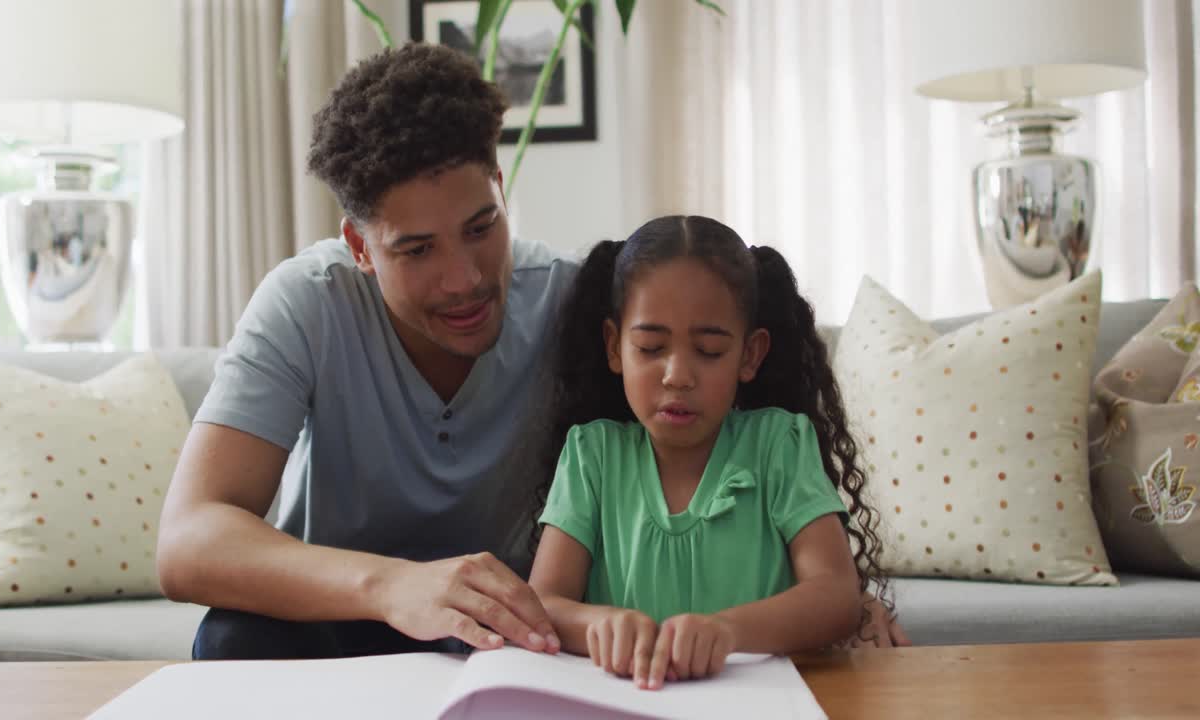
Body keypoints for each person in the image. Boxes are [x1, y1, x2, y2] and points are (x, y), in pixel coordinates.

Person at [156, 42, 907, 661]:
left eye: (482, 227)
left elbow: (710, 424)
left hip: (515, 635)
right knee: (228, 640)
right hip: (344, 616)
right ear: (359, 246)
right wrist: (394, 587)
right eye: (415, 249)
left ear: (502, 191)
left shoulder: (572, 304)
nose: (465, 280)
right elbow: (189, 542)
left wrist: (832, 598)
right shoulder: (303, 304)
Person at [528, 216, 891, 690]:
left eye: (710, 351)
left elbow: (836, 597)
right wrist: (598, 624)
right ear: (615, 348)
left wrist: (727, 632)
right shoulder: (591, 455)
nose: (677, 375)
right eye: (651, 347)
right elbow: (543, 604)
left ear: (750, 355)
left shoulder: (779, 446)